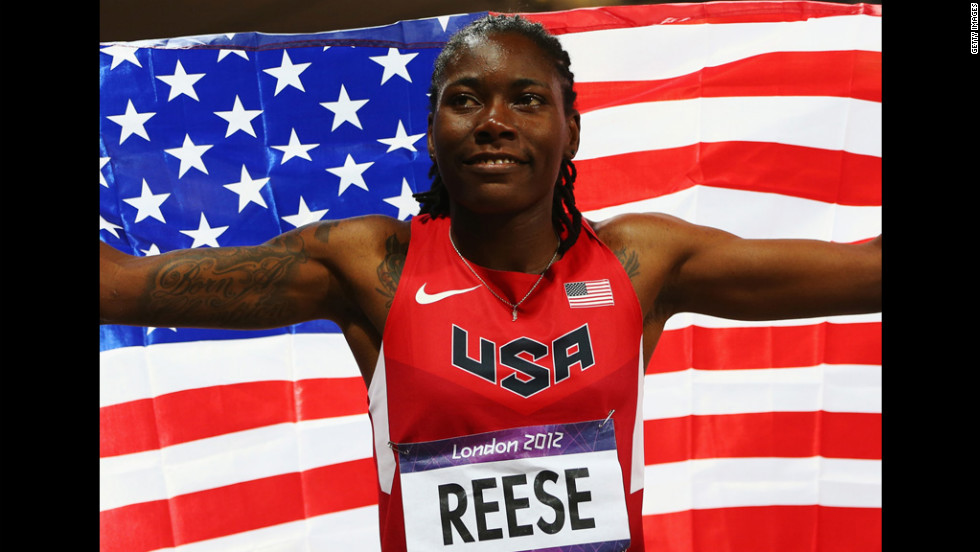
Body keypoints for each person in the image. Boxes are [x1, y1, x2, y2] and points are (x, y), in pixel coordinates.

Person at [100, 14, 881, 552]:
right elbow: (118, 289)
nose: (492, 121)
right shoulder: (372, 266)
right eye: (463, 100)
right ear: (433, 132)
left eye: (527, 99)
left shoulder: (643, 264)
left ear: (572, 129)